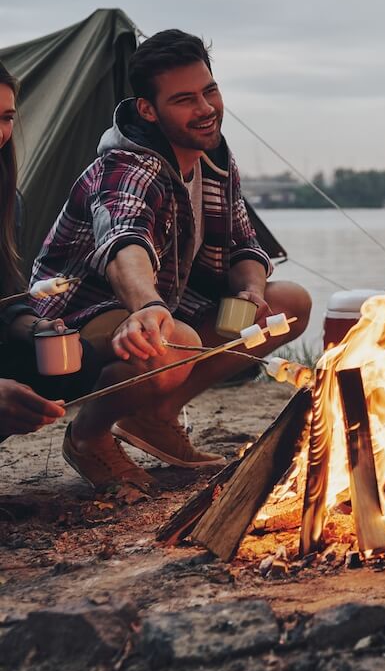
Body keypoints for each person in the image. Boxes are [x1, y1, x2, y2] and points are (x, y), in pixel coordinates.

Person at [29, 30, 312, 493]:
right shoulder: (127, 165)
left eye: (210, 91)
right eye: (184, 100)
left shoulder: (214, 158)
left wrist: (251, 290)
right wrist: (146, 306)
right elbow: (125, 244)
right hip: (74, 319)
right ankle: (88, 435)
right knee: (170, 338)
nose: (205, 108)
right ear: (148, 109)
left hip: (159, 308)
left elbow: (245, 245)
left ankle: (155, 416)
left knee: (287, 304)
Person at [0, 61, 88, 441]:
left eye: (6, 118)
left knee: (72, 360)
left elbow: (6, 299)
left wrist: (39, 328)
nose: (0, 132)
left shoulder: (7, 200)